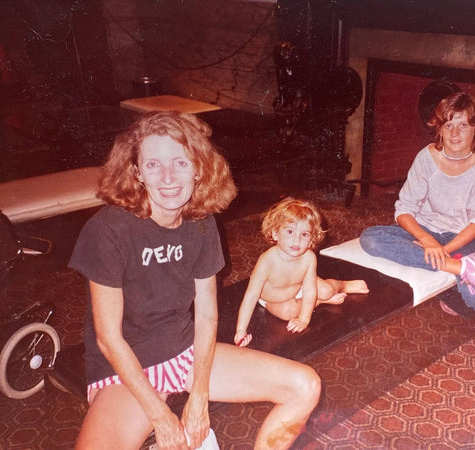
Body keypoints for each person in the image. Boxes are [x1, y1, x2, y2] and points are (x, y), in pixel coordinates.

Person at [68, 112, 321, 450]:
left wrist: (199, 396)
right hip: (125, 367)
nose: (169, 177)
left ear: (199, 168)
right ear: (137, 171)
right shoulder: (108, 230)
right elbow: (109, 339)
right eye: (154, 165)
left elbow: (206, 316)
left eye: (180, 163)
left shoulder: (201, 223)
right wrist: (160, 415)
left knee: (305, 385)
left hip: (184, 350)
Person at [359, 92, 475, 347]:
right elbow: (404, 208)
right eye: (449, 125)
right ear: (440, 129)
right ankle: (462, 269)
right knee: (370, 238)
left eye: (463, 125)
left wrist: (443, 249)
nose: (455, 134)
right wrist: (426, 240)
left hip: (463, 233)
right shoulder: (426, 157)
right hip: (424, 229)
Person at [235, 197, 369, 346]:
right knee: (288, 312)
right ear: (275, 234)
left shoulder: (309, 258)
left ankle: (342, 285)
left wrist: (304, 319)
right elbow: (250, 297)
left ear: (311, 239)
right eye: (290, 231)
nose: (297, 240)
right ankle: (320, 301)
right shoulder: (267, 261)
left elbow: (310, 289)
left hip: (299, 286)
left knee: (326, 290)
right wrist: (241, 330)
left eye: (304, 234)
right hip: (275, 299)